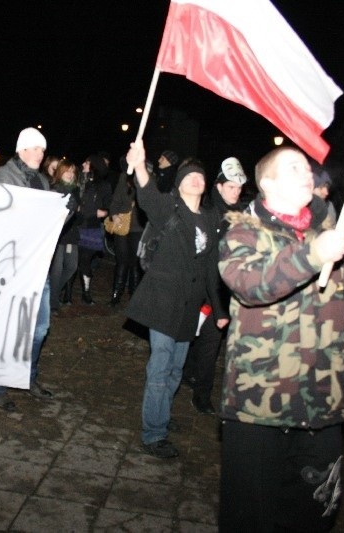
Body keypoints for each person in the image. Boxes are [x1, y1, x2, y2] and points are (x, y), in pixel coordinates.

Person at [216, 146, 344, 531]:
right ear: (267, 184)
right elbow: (251, 285)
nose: (306, 173)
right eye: (293, 167)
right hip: (258, 404)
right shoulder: (242, 232)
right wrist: (313, 254)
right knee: (249, 518)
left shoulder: (327, 232)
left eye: (307, 167)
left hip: (320, 401)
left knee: (311, 516)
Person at [124, 140, 225, 460]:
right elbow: (148, 195)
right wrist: (140, 165)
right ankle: (153, 433)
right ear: (180, 183)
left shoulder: (210, 219)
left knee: (176, 370)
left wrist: (219, 310)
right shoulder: (170, 207)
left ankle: (161, 416)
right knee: (160, 367)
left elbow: (211, 267)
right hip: (163, 300)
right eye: (189, 176)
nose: (196, 179)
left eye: (200, 176)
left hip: (189, 306)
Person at [0, 127, 56, 411]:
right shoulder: (5, 176)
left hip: (39, 265)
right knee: (8, 329)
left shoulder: (42, 180)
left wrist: (66, 210)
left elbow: (48, 225)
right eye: (35, 149)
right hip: (13, 265)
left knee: (40, 328)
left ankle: (28, 378)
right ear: (21, 150)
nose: (40, 154)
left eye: (42, 150)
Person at [181, 156, 249, 414]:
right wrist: (218, 307)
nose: (236, 192)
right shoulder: (209, 214)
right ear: (219, 187)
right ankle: (201, 396)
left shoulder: (242, 214)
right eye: (231, 186)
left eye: (239, 188)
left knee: (207, 343)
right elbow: (209, 261)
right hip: (207, 293)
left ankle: (193, 379)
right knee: (204, 343)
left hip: (230, 292)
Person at [107, 155, 145, 306]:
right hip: (122, 225)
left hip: (139, 227)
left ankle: (134, 296)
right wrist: (114, 214)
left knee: (135, 262)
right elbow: (115, 200)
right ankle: (116, 294)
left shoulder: (145, 177)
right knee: (121, 261)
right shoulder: (123, 178)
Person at [76, 154, 112, 304]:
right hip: (76, 226)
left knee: (85, 259)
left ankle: (86, 292)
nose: (83, 163)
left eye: (87, 162)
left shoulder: (103, 186)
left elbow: (108, 206)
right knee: (74, 261)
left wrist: (104, 212)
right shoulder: (78, 182)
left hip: (91, 228)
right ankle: (68, 294)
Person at [49, 159, 80, 312]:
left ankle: (50, 293)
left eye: (73, 171)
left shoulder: (75, 189)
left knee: (72, 266)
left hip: (71, 234)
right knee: (56, 270)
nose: (70, 174)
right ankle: (52, 302)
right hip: (58, 236)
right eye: (67, 171)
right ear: (60, 172)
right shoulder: (54, 189)